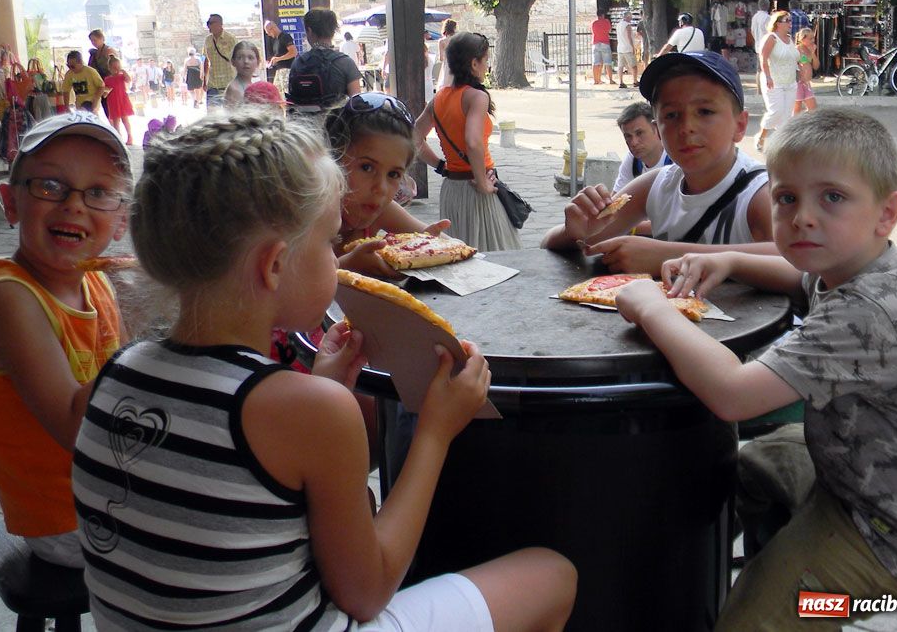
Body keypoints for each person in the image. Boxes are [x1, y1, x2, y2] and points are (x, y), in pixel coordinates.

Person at [70, 109, 577, 630]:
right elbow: (368, 591)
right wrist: (435, 430)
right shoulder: (310, 411)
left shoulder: (110, 379)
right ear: (274, 264)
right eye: (327, 242)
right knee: (550, 575)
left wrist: (320, 391)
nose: (335, 264)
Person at [614, 107, 897, 631]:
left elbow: (731, 393)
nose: (802, 217)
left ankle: (802, 604)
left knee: (753, 621)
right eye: (786, 198)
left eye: (833, 198)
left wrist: (649, 306)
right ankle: (764, 551)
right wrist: (729, 261)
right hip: (873, 472)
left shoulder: (870, 311)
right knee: (751, 469)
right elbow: (797, 280)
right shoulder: (857, 265)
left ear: (887, 213)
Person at [0, 111, 130, 568]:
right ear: (11, 202)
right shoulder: (9, 301)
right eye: (50, 186)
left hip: (112, 495)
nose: (74, 205)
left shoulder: (95, 283)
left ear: (120, 220)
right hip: (70, 521)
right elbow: (81, 431)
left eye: (97, 193)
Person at [541, 50, 775, 276]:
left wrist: (668, 255)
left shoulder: (759, 194)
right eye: (671, 115)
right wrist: (575, 231)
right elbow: (551, 243)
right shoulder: (657, 185)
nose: (686, 127)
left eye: (704, 111)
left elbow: (798, 261)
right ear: (659, 131)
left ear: (740, 125)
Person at [414, 32, 522, 251]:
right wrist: (483, 183)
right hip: (477, 187)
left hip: (452, 188)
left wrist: (440, 165)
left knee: (458, 253)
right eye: (485, 60)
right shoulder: (477, 97)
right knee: (493, 254)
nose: (487, 66)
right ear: (474, 63)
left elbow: (413, 138)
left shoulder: (438, 99)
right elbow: (473, 142)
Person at [326, 92, 450, 276]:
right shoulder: (310, 215)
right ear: (334, 160)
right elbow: (287, 287)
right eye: (367, 167)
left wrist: (426, 244)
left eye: (393, 174)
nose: (381, 188)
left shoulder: (380, 209)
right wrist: (347, 265)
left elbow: (448, 244)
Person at [287, 7, 362, 113]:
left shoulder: (298, 63)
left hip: (304, 127)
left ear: (309, 31)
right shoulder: (345, 62)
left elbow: (292, 101)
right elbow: (356, 102)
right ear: (333, 31)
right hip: (336, 125)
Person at [755, 11, 800, 152]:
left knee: (786, 115)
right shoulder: (771, 38)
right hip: (774, 81)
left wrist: (805, 63)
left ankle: (782, 145)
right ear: (778, 23)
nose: (790, 23)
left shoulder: (790, 39)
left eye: (790, 21)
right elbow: (763, 58)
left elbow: (796, 57)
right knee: (776, 111)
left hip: (790, 82)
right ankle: (761, 136)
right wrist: (767, 76)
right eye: (787, 20)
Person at [612, 101, 673, 193]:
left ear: (656, 128)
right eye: (628, 136)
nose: (634, 142)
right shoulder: (633, 161)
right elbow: (616, 199)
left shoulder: (675, 159)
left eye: (639, 133)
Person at [202, 13, 238, 107]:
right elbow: (206, 60)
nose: (208, 26)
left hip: (228, 83)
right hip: (213, 84)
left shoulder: (231, 39)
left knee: (230, 115)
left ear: (219, 24)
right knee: (212, 116)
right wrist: (204, 81)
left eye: (210, 23)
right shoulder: (207, 40)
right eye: (207, 23)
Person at [102, 55, 134, 145]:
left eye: (118, 67)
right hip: (113, 101)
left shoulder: (121, 77)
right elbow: (105, 91)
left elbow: (129, 80)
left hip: (122, 100)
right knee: (116, 121)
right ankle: (119, 137)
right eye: (114, 68)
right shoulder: (107, 79)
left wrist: (123, 71)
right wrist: (105, 92)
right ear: (109, 68)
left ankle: (130, 136)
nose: (116, 70)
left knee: (125, 119)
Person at [224, 40, 261, 109]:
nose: (246, 61)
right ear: (233, 62)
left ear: (258, 62)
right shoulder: (234, 89)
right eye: (240, 58)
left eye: (250, 58)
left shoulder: (254, 84)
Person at [86, 29, 114, 117]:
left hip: (109, 83)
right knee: (105, 109)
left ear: (101, 38)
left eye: (95, 40)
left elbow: (115, 67)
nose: (93, 42)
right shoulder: (94, 53)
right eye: (91, 40)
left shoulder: (109, 50)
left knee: (111, 110)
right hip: (99, 83)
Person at [793, 28, 820, 115]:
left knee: (813, 109)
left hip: (807, 83)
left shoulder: (809, 50)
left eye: (813, 38)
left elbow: (816, 66)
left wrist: (813, 53)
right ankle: (792, 126)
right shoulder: (797, 50)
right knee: (797, 109)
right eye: (810, 38)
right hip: (798, 83)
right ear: (802, 39)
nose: (812, 41)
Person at [264, 19, 296, 89]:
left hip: (287, 70)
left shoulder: (285, 37)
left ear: (272, 28)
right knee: (276, 93)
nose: (269, 35)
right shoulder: (275, 40)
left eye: (268, 32)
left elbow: (293, 52)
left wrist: (279, 59)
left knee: (286, 93)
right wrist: (272, 61)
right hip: (278, 70)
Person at [751, 0, 771, 94]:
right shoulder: (768, 18)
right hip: (767, 45)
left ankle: (759, 89)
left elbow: (752, 31)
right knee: (767, 67)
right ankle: (767, 87)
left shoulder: (755, 17)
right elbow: (769, 31)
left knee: (759, 69)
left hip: (758, 45)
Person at [591, 11, 616, 85]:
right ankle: (611, 80)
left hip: (595, 43)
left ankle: (596, 80)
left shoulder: (593, 23)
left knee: (596, 63)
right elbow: (609, 30)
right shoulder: (606, 22)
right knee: (608, 62)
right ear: (603, 14)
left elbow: (593, 32)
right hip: (605, 43)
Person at [615, 11, 638, 89]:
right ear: (628, 17)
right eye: (630, 16)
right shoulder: (627, 25)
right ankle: (635, 81)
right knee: (634, 66)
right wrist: (633, 47)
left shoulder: (618, 25)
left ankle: (621, 82)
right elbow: (629, 37)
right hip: (627, 48)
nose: (631, 18)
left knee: (620, 66)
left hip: (620, 48)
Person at [438, 18, 457, 88]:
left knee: (445, 84)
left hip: (447, 65)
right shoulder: (457, 40)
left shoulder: (442, 41)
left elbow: (441, 58)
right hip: (456, 64)